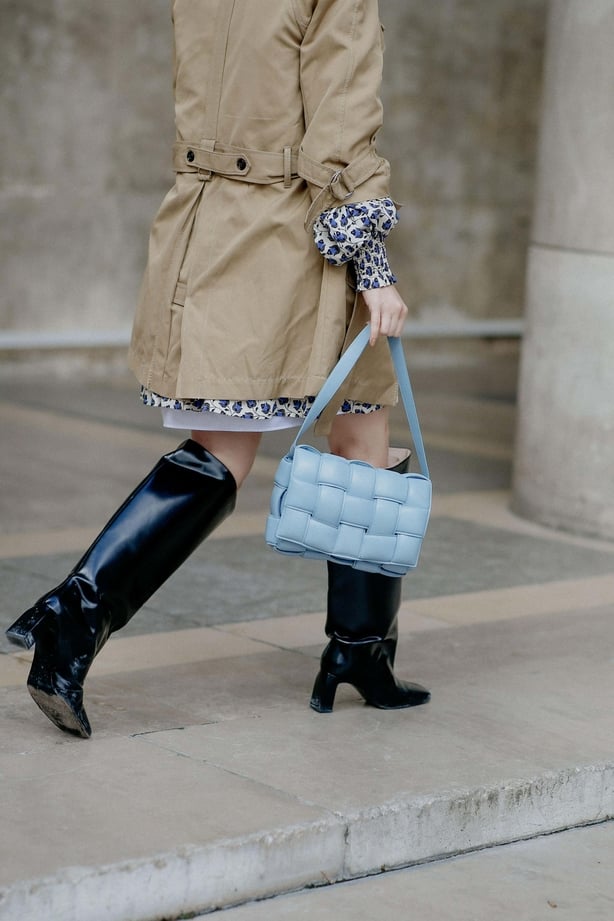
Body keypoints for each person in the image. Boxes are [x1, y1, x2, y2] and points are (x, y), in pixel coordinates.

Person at [6, 0, 430, 738]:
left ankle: (360, 651)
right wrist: (374, 266)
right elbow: (340, 123)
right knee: (274, 447)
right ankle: (75, 618)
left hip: (211, 224)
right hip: (299, 238)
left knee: (341, 428)